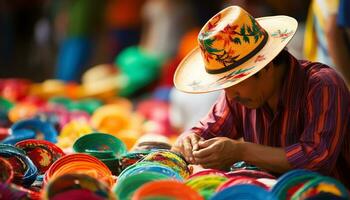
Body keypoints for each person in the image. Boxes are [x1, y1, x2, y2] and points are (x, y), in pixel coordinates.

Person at [171, 6, 350, 188]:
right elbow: (202, 131)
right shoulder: (237, 95)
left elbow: (315, 159)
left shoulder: (323, 85)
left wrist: (241, 151)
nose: (230, 96)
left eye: (234, 82)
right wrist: (189, 140)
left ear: (265, 66)